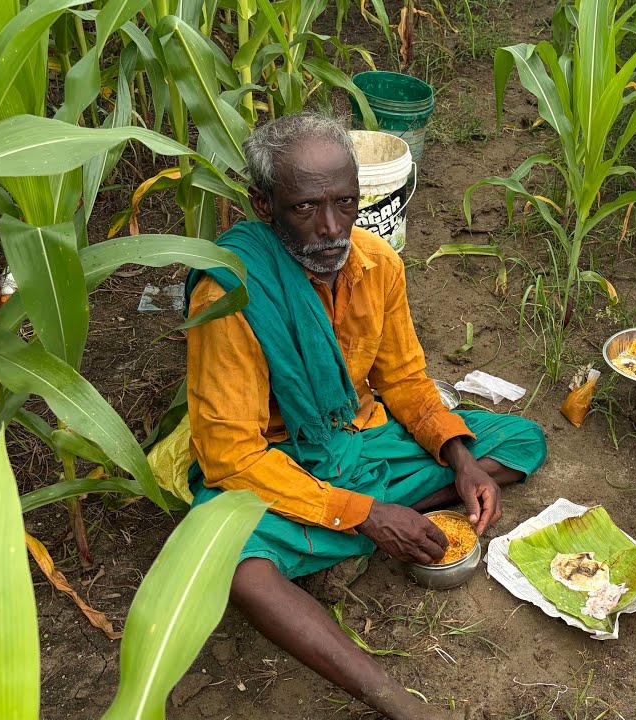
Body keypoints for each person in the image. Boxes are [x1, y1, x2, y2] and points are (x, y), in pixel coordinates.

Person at [185, 111, 547, 720]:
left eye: (346, 203)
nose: (331, 229)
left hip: (361, 441)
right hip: (281, 460)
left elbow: (404, 379)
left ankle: (348, 534)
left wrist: (460, 461)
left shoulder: (379, 264)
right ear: (264, 204)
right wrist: (369, 515)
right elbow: (230, 456)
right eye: (306, 208)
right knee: (237, 567)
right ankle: (396, 701)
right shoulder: (230, 294)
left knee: (518, 441)